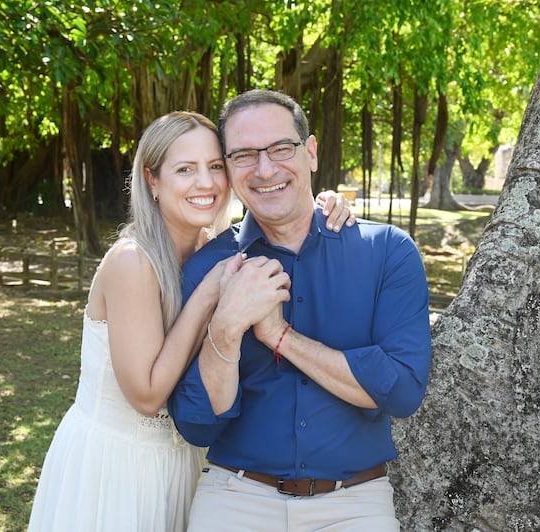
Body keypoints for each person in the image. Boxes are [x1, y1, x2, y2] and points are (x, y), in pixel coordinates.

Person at [28, 110, 355, 531]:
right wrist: (206, 295)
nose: (206, 183)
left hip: (186, 464)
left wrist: (324, 206)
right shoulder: (133, 262)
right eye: (185, 169)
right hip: (118, 466)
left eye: (215, 167)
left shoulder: (214, 250)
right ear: (152, 180)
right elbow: (146, 396)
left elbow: (286, 223)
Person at [168, 90, 433, 531]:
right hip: (235, 498)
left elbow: (403, 391)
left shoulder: (387, 252)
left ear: (310, 153)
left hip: (355, 504)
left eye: (281, 148)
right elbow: (197, 425)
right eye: (245, 155)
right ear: (230, 170)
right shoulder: (209, 268)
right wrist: (229, 326)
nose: (266, 168)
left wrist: (279, 336)